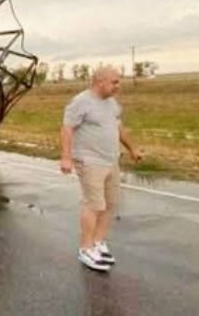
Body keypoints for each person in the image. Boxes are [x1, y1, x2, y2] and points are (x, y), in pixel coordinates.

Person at [60, 67, 142, 272]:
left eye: (118, 81)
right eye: (114, 82)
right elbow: (67, 128)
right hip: (89, 161)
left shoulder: (111, 103)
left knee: (111, 203)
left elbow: (118, 127)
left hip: (111, 160)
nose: (118, 85)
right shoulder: (81, 102)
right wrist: (66, 157)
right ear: (100, 82)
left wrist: (132, 148)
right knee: (94, 204)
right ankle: (85, 248)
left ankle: (97, 242)